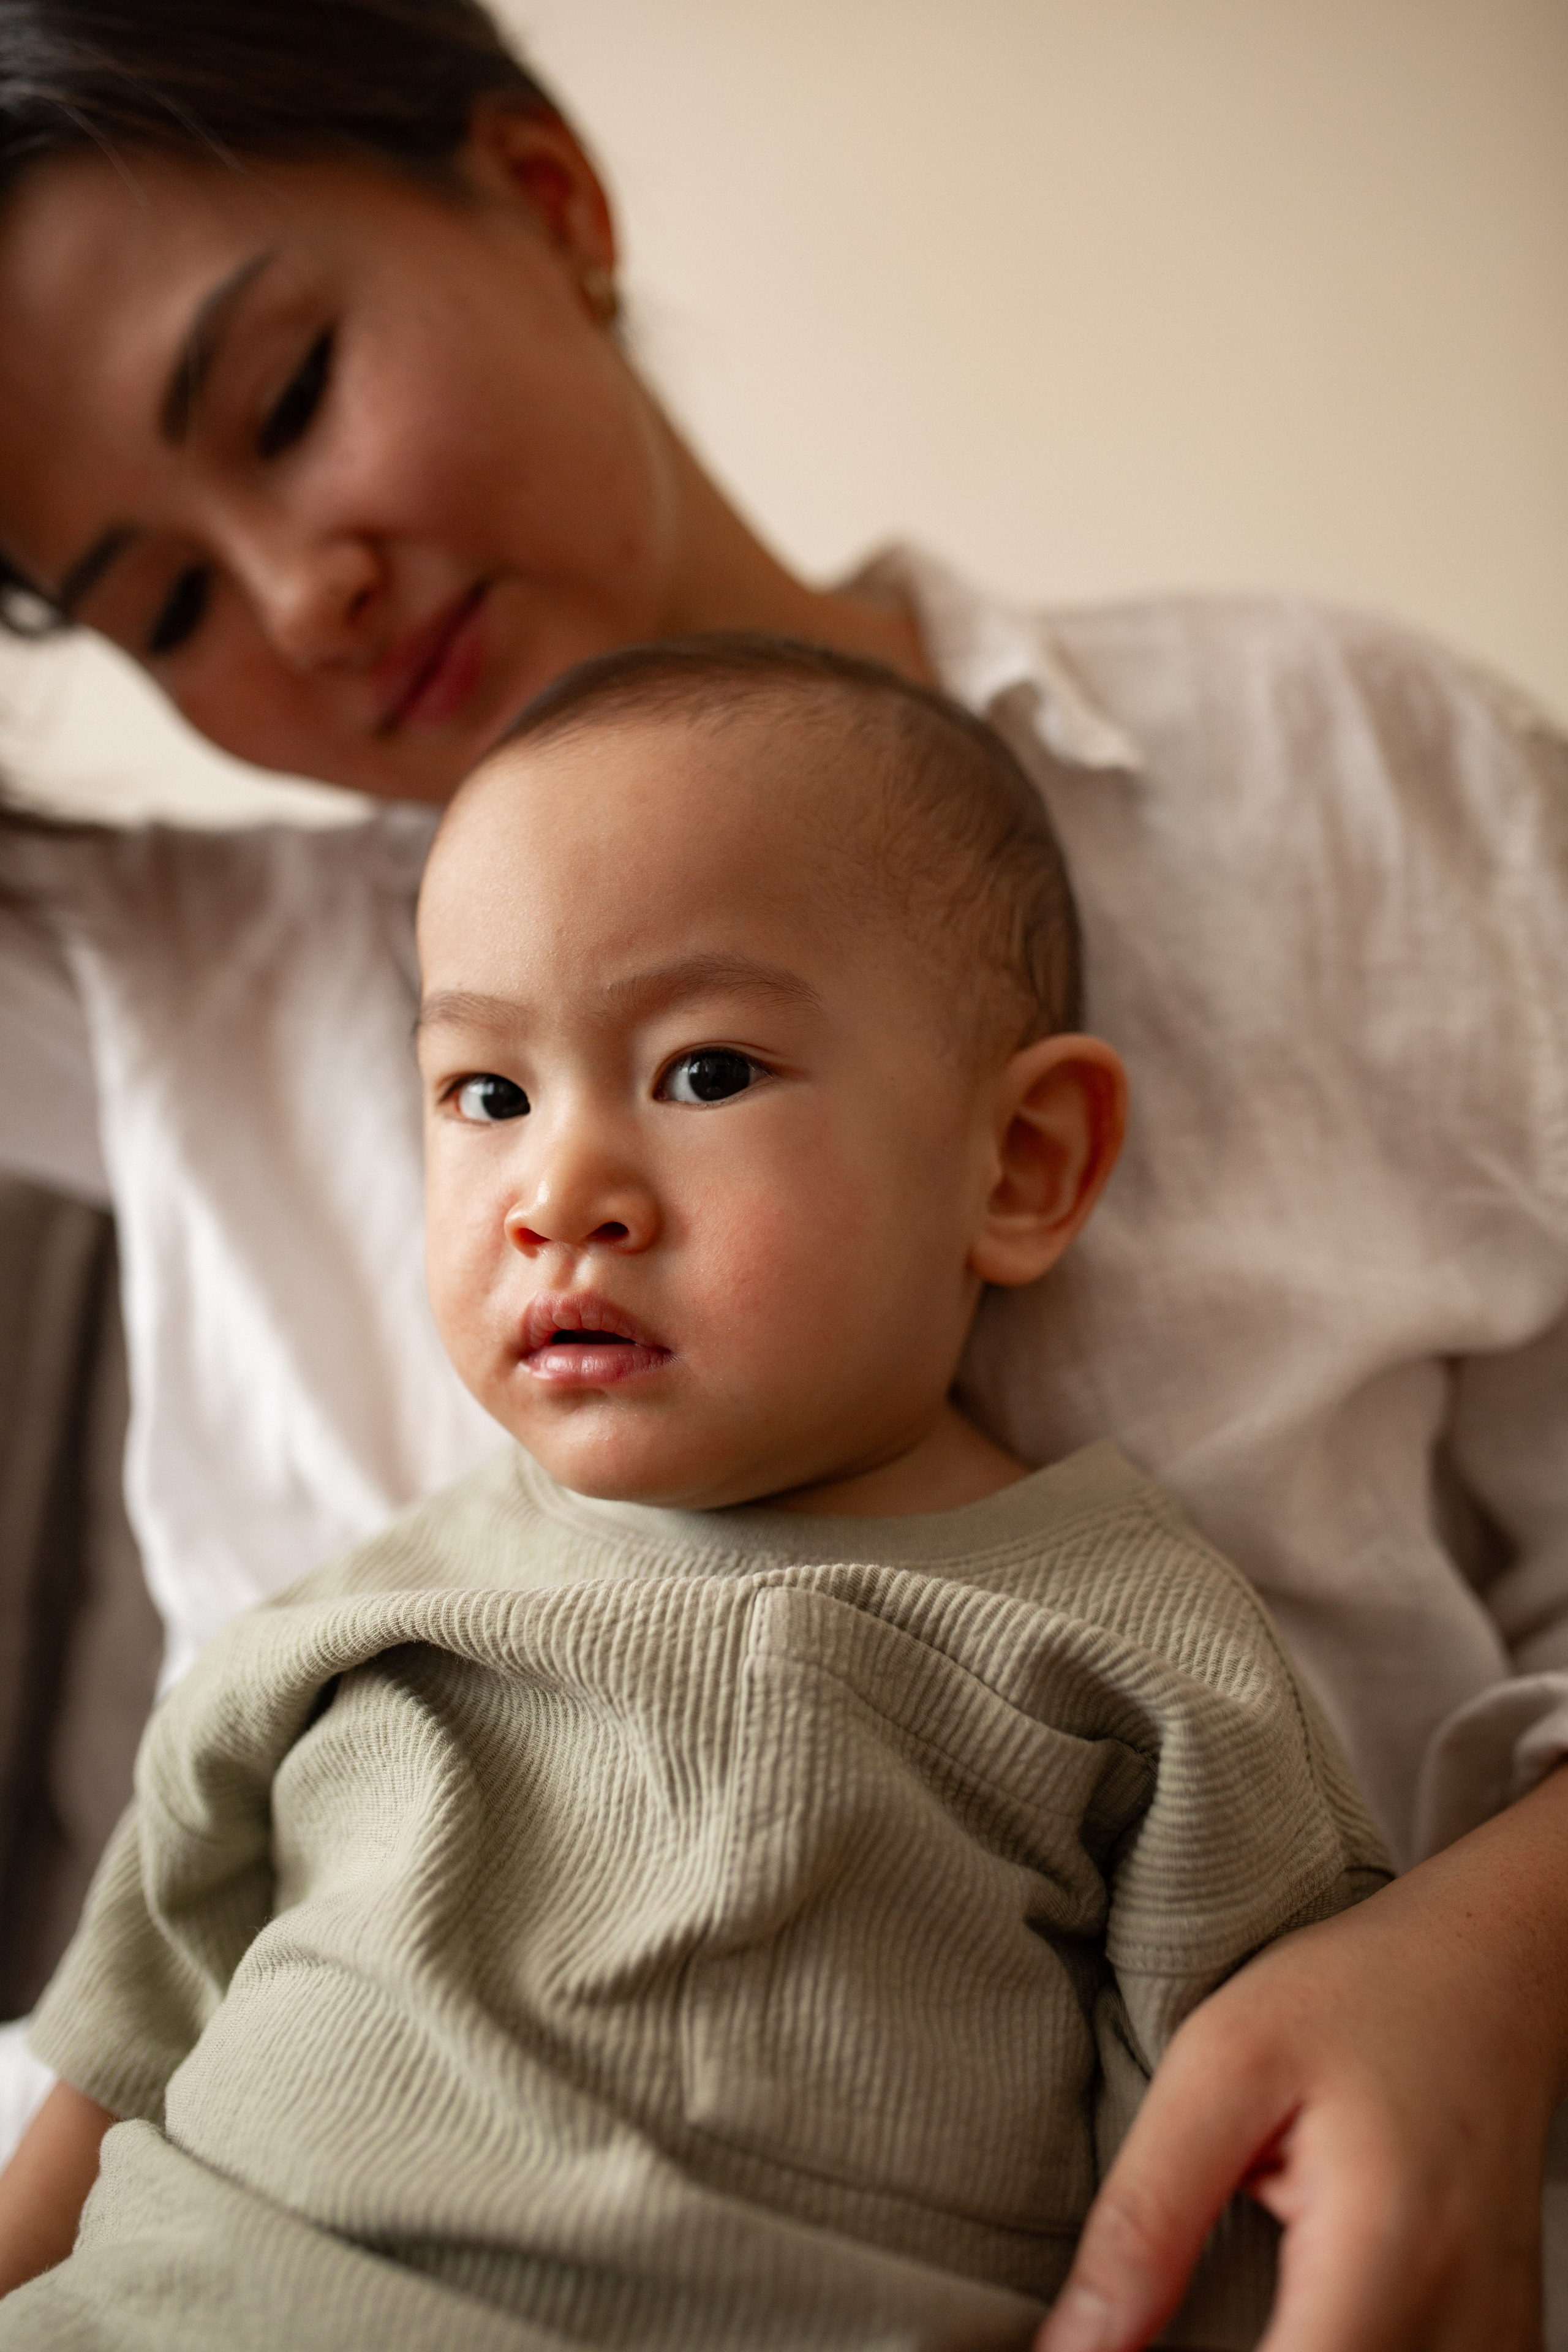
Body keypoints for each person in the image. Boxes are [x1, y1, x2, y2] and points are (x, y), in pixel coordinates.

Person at [0, 4, 1565, 2346]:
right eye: (167, 609)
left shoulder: (1358, 773)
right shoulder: (168, 994)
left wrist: (1491, 1967)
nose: (294, 590)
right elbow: (131, 2026)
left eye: (293, 397)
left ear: (550, 204)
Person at [0, 643, 1390, 2350]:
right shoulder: (341, 1625)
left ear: (1019, 1164)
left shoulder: (1133, 1661)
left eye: (706, 1072)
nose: (555, 1191)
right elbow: (118, 2059)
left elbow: (1244, 2190)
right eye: (487, 1096)